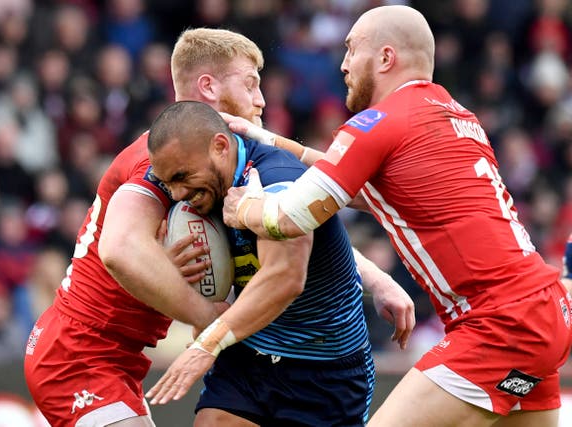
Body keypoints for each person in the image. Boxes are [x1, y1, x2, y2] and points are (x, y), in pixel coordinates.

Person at [24, 28, 413, 427]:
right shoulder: (163, 157)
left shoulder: (232, 163)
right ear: (208, 87)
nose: (261, 99)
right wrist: (211, 319)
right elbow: (120, 248)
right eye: (250, 85)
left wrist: (375, 278)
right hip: (80, 354)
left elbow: (301, 222)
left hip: (122, 356)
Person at [221, 5, 572, 427]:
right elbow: (368, 190)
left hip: (499, 325)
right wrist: (270, 139)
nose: (344, 64)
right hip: (546, 315)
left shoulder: (378, 123)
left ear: (386, 58)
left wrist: (242, 208)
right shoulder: (453, 112)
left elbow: (290, 217)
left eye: (352, 50)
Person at [143, 100, 398, 426]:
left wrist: (206, 345)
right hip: (250, 353)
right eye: (168, 183)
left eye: (182, 177)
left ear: (220, 147)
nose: (177, 193)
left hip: (321, 368)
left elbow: (285, 279)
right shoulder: (202, 181)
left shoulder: (277, 179)